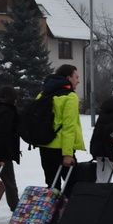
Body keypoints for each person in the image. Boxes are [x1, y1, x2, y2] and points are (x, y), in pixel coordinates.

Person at [36, 64, 85, 193]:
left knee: (52, 186)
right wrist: (68, 154)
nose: (78, 81)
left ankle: (52, 211)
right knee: (73, 185)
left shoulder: (42, 94)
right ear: (68, 77)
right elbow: (69, 127)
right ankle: (68, 212)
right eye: (76, 77)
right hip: (61, 148)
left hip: (45, 146)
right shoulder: (70, 97)